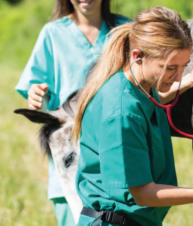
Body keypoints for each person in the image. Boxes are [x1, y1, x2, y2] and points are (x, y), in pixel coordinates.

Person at [73, 6, 193, 226]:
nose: (177, 75)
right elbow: (144, 194)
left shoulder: (135, 86)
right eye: (170, 67)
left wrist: (188, 80)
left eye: (183, 65)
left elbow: (150, 101)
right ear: (137, 56)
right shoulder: (121, 114)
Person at [15, 0, 131, 225]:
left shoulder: (125, 30)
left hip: (117, 154)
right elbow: (38, 92)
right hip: (71, 162)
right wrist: (36, 95)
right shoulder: (52, 34)